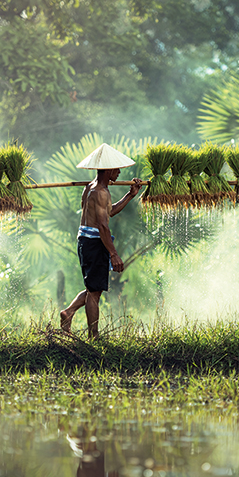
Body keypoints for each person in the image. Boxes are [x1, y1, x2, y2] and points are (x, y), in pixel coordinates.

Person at [60, 143, 143, 339]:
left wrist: (130, 196)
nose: (119, 172)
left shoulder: (91, 188)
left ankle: (68, 312)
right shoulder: (101, 192)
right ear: (107, 170)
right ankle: (94, 337)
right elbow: (103, 226)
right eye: (116, 168)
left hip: (86, 240)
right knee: (95, 294)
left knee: (92, 288)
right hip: (94, 242)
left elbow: (109, 211)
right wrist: (114, 254)